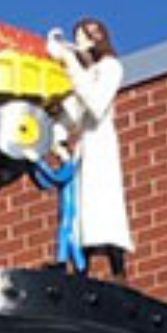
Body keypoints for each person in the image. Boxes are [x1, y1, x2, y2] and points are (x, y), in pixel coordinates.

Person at [48, 18, 132, 279]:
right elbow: (73, 112)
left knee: (104, 207)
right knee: (80, 211)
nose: (80, 44)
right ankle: (80, 267)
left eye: (84, 37)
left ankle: (118, 270)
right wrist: (57, 137)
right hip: (85, 147)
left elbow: (95, 104)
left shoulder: (110, 68)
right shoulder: (86, 75)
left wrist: (72, 64)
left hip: (102, 147)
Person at [29, 126, 85, 273]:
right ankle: (80, 266)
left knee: (63, 233)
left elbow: (57, 178)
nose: (56, 154)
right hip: (64, 208)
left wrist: (39, 164)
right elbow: (46, 183)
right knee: (71, 239)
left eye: (58, 150)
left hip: (69, 209)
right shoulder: (65, 167)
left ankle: (61, 262)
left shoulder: (70, 166)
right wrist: (33, 167)